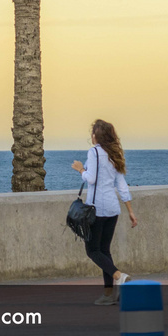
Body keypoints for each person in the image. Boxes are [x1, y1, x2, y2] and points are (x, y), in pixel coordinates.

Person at [70, 118, 136, 305]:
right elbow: (122, 186)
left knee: (92, 250)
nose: (91, 136)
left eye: (92, 133)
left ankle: (118, 276)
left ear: (96, 136)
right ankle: (109, 295)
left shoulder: (94, 152)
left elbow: (91, 179)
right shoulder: (115, 154)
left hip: (97, 209)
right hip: (113, 209)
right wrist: (130, 210)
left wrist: (80, 168)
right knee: (105, 251)